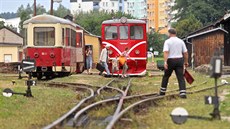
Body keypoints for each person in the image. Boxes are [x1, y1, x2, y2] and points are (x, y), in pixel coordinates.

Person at [159, 28, 189, 99]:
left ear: (169, 33)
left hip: (171, 60)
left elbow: (166, 52)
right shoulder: (181, 41)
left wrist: (165, 62)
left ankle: (162, 92)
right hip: (179, 60)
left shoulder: (167, 42)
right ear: (175, 33)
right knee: (180, 77)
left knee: (166, 76)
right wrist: (186, 62)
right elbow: (185, 53)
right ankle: (183, 93)